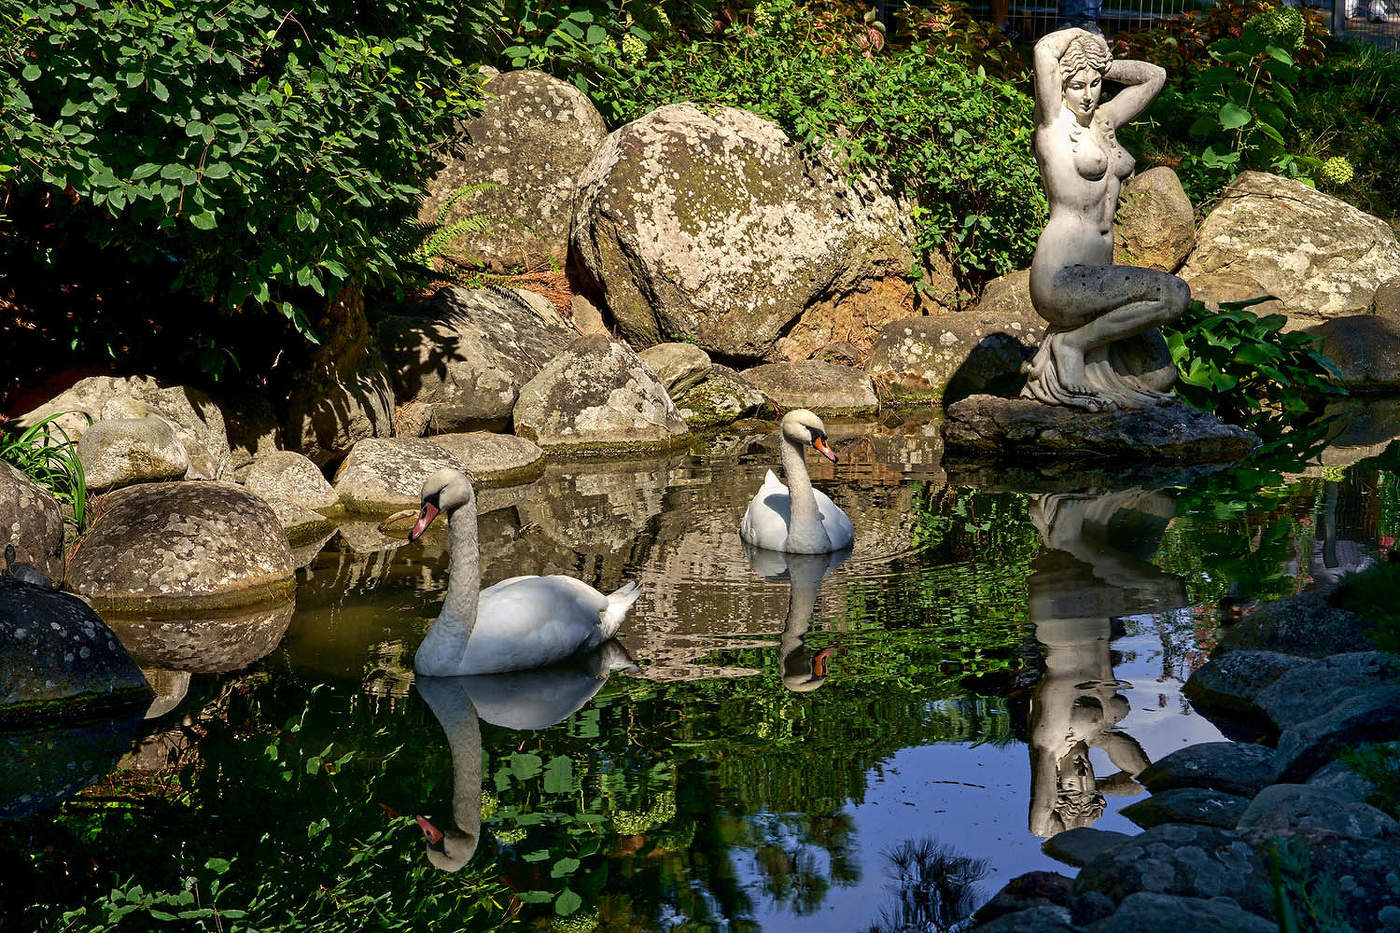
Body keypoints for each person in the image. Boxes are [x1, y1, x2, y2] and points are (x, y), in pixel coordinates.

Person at [1020, 27, 1189, 411]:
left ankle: (1080, 347)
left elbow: (1154, 77)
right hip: (1061, 275)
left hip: (1097, 274)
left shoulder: (1104, 121)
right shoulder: (1052, 127)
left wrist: (1101, 63)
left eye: (1095, 85)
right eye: (1077, 86)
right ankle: (1071, 345)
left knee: (1159, 377)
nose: (1088, 95)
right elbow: (1044, 49)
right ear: (1061, 86)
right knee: (1173, 294)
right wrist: (1083, 34)